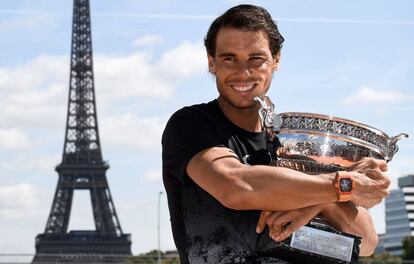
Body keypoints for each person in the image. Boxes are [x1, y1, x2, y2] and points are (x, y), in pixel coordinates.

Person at [162, 4, 390, 264]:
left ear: (276, 60)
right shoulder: (191, 124)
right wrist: (342, 184)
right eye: (229, 58)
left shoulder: (288, 144)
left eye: (256, 59)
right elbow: (237, 187)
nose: (243, 72)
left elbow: (367, 241)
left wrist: (321, 199)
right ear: (211, 61)